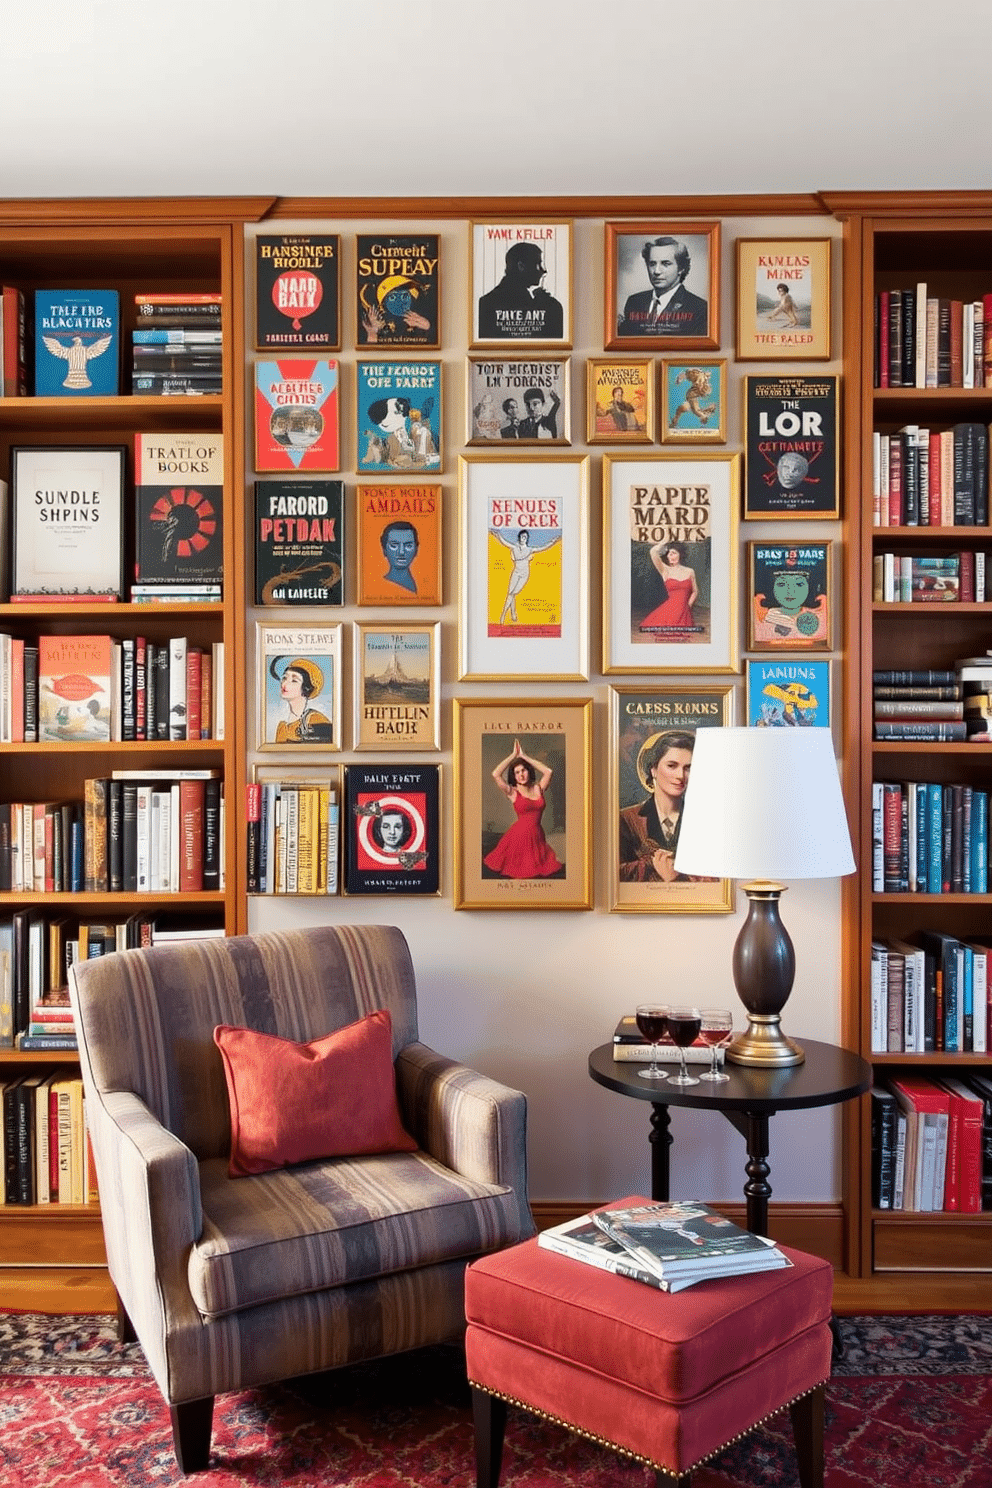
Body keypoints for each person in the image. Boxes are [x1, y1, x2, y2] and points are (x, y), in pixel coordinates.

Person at [619, 730, 697, 883]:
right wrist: (652, 865)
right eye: (671, 766)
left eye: (688, 768)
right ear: (653, 769)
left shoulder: (704, 820)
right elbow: (614, 874)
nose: (681, 775)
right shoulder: (626, 819)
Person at [483, 738, 563, 879]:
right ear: (514, 776)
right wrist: (513, 756)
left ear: (528, 771)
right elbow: (495, 774)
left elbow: (548, 771)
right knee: (522, 873)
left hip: (537, 837)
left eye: (523, 770)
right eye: (517, 772)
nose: (521, 774)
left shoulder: (538, 788)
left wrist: (524, 756)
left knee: (542, 873)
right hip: (518, 839)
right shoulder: (513, 792)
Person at [618, 236, 708, 339]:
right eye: (652, 264)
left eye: (665, 264)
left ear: (681, 268)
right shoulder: (634, 302)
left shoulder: (699, 309)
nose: (656, 271)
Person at [477, 241, 564, 340]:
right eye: (538, 264)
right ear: (521, 266)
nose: (543, 270)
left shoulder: (485, 303)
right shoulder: (548, 306)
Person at [753, 558, 828, 644]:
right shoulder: (762, 621)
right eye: (782, 584)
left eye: (799, 584)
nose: (790, 591)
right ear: (772, 588)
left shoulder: (820, 620)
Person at [363, 395, 439, 469]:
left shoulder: (408, 431)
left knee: (421, 430)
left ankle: (425, 456)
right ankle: (425, 458)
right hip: (408, 455)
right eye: (396, 412)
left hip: (420, 449)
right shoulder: (392, 438)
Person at [640, 542, 699, 633]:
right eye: (669, 554)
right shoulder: (665, 570)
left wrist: (688, 606)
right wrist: (665, 541)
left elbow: (695, 591)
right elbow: (653, 552)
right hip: (669, 611)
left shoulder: (690, 571)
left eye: (673, 553)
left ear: (681, 555)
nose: (670, 556)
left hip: (685, 613)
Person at [271, 657, 332, 743]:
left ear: (306, 688)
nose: (285, 684)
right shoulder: (282, 728)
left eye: (294, 680)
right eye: (284, 678)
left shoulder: (316, 720)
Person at [379, 519, 419, 593]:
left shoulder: (419, 583)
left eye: (408, 546)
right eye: (394, 545)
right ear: (384, 549)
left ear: (416, 550)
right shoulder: (378, 586)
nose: (401, 552)